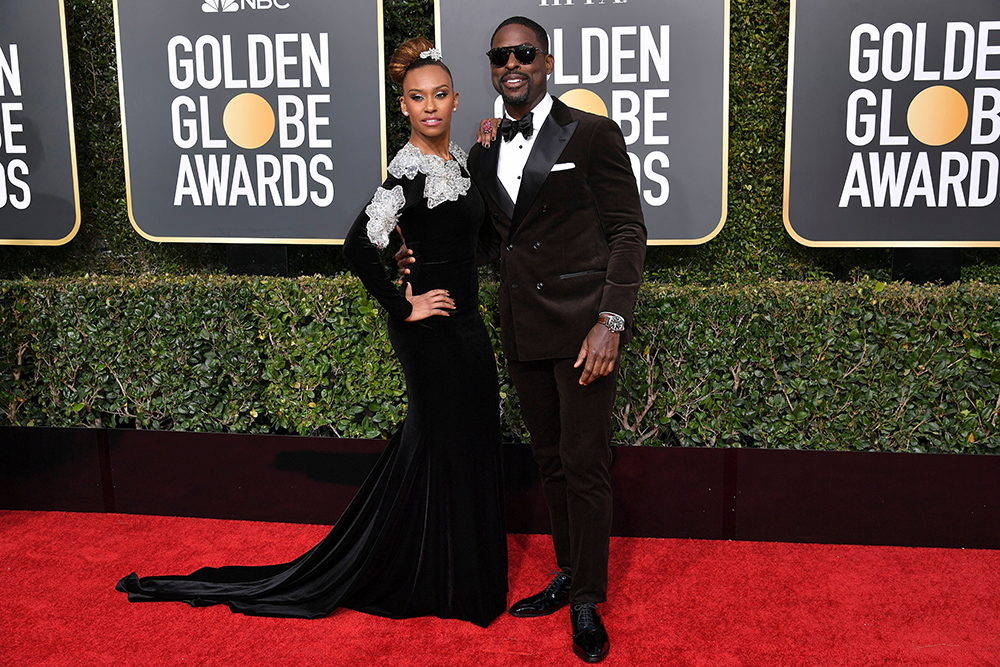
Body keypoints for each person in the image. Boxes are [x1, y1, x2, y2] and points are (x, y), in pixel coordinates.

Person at [116, 38, 508, 629]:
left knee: (469, 438)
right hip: (431, 335)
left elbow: (470, 241)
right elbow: (357, 247)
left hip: (470, 327)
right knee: (439, 441)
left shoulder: (458, 164)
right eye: (416, 97)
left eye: (440, 95)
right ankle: (436, 578)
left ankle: (454, 569)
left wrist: (482, 156)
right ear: (403, 106)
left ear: (455, 100)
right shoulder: (403, 176)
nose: (430, 107)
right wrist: (405, 306)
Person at [398, 15, 646, 663]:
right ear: (491, 67)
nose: (513, 63)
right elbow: (485, 240)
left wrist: (611, 320)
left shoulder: (591, 134)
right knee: (551, 460)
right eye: (501, 55)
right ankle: (568, 568)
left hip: (586, 329)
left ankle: (588, 597)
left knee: (587, 462)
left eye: (525, 53)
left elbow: (628, 232)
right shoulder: (483, 149)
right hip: (522, 328)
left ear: (548, 60)